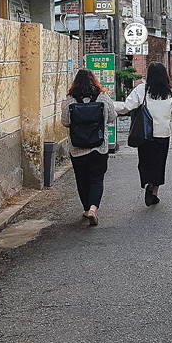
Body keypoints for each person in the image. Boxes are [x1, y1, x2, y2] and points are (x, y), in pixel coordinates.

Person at [116, 62, 172, 206]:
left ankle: (147, 185)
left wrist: (110, 104)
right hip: (163, 135)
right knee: (159, 164)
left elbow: (127, 106)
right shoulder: (169, 93)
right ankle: (154, 193)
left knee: (145, 163)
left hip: (145, 134)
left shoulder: (142, 90)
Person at [61, 69, 117, 226]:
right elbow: (112, 117)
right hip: (99, 147)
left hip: (78, 148)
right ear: (94, 80)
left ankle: (86, 209)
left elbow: (65, 121)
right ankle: (93, 208)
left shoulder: (71, 99)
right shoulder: (103, 96)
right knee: (96, 179)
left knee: (82, 178)